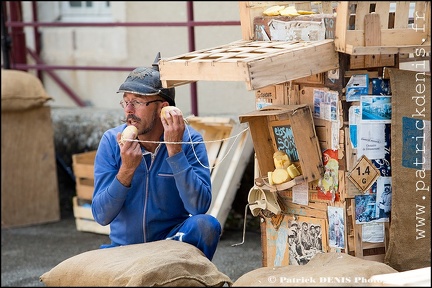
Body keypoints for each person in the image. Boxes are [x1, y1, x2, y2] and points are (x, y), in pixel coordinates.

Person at [91, 55, 222, 260]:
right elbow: (101, 216)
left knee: (206, 225)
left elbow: (198, 207)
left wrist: (175, 151)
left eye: (137, 102)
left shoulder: (190, 140)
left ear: (163, 108)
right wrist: (126, 170)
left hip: (170, 245)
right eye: (125, 102)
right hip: (123, 249)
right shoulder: (111, 141)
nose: (128, 110)